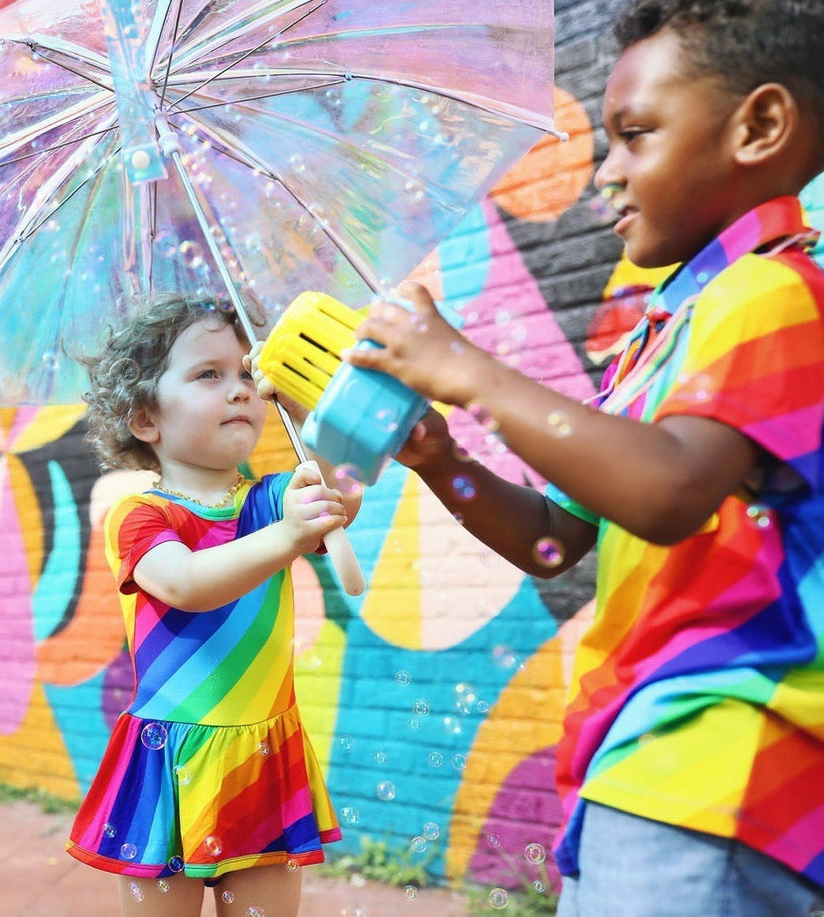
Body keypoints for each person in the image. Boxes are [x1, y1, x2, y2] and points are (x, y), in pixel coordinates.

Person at [341, 0, 824, 913]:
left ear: (758, 126)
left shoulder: (772, 290)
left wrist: (463, 366)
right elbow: (559, 541)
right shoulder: (667, 329)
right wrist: (443, 459)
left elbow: (669, 490)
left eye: (634, 136)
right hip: (641, 760)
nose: (607, 174)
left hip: (715, 761)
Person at [64, 293, 360, 916]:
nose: (240, 390)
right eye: (209, 375)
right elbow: (190, 583)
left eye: (248, 374)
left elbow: (341, 493)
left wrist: (309, 415)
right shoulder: (141, 515)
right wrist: (288, 535)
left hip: (261, 760)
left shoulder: (267, 500)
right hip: (169, 765)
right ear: (145, 418)